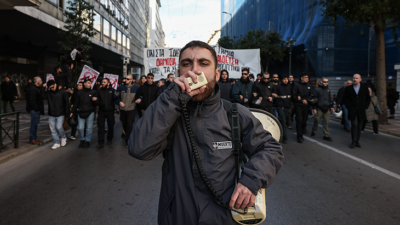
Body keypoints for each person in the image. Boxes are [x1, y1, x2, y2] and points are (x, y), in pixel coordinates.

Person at [128, 40, 284, 224]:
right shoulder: (168, 111)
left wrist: (251, 181)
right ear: (179, 73)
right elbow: (139, 148)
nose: (194, 71)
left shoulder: (234, 113)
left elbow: (271, 149)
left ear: (217, 74)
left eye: (204, 63)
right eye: (187, 64)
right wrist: (171, 98)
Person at [343, 74, 370, 148]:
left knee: (359, 126)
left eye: (356, 78)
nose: (355, 79)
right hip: (352, 109)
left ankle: (357, 141)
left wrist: (365, 106)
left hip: (361, 110)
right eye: (354, 78)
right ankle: (353, 141)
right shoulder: (348, 88)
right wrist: (349, 105)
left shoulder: (364, 87)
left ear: (360, 79)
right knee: (354, 125)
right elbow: (345, 98)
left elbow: (368, 98)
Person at [94, 78, 121, 148]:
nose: (102, 83)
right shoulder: (99, 91)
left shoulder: (112, 91)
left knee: (110, 126)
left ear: (108, 83)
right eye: (102, 82)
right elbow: (95, 99)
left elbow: (116, 99)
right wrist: (99, 103)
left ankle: (109, 139)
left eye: (104, 82)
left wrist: (119, 101)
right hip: (101, 111)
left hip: (110, 111)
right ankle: (100, 142)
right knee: (100, 127)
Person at [71, 78, 97, 148]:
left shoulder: (93, 92)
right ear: (84, 84)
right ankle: (82, 140)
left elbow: (96, 104)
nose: (89, 84)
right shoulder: (79, 93)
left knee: (89, 128)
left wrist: (95, 100)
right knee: (80, 128)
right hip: (81, 112)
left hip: (90, 112)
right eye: (88, 83)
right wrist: (72, 112)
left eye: (90, 83)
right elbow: (76, 103)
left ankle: (87, 141)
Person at [116, 74, 139, 147]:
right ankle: (128, 136)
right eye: (126, 79)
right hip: (122, 109)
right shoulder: (121, 87)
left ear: (132, 80)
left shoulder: (136, 88)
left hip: (131, 109)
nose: (126, 80)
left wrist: (140, 99)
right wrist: (119, 102)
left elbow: (140, 96)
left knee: (129, 124)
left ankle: (128, 140)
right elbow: (115, 97)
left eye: (128, 79)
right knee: (124, 124)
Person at [46, 80, 70, 149]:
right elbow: (42, 96)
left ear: (55, 84)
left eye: (52, 87)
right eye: (50, 88)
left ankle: (63, 137)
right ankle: (56, 142)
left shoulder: (63, 92)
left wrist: (67, 114)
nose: (52, 89)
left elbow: (67, 103)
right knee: (52, 129)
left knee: (59, 127)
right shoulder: (49, 92)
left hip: (60, 113)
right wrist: (42, 88)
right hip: (51, 113)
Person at [292, 72, 313, 143]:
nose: (307, 79)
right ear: (301, 78)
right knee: (299, 120)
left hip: (306, 106)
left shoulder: (309, 85)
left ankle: (302, 130)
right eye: (305, 77)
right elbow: (294, 96)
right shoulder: (296, 85)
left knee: (304, 120)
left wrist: (307, 100)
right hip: (298, 105)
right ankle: (299, 136)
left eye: (307, 77)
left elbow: (311, 95)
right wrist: (301, 100)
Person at [26, 77, 44, 145]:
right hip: (34, 109)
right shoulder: (33, 89)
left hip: (35, 109)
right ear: (38, 82)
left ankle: (35, 137)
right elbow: (32, 100)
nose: (42, 82)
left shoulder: (35, 88)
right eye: (41, 80)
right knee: (34, 124)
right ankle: (32, 138)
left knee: (35, 124)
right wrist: (36, 108)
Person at [275, 75, 292, 144]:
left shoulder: (289, 87)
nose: (286, 80)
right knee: (283, 122)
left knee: (284, 122)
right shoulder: (278, 87)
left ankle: (280, 133)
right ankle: (284, 137)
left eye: (287, 79)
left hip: (287, 107)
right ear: (281, 80)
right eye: (284, 79)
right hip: (280, 107)